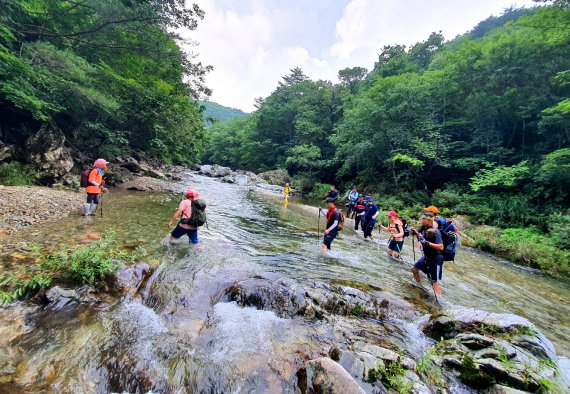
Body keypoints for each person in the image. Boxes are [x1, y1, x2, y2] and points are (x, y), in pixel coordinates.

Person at [411, 214, 445, 298]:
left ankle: (438, 300)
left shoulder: (435, 231)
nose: (422, 220)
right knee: (414, 269)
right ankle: (420, 286)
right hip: (426, 257)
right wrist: (416, 234)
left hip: (435, 258)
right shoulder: (424, 228)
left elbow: (441, 247)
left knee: (434, 281)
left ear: (429, 220)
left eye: (424, 219)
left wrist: (426, 243)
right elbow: (422, 239)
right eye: (422, 218)